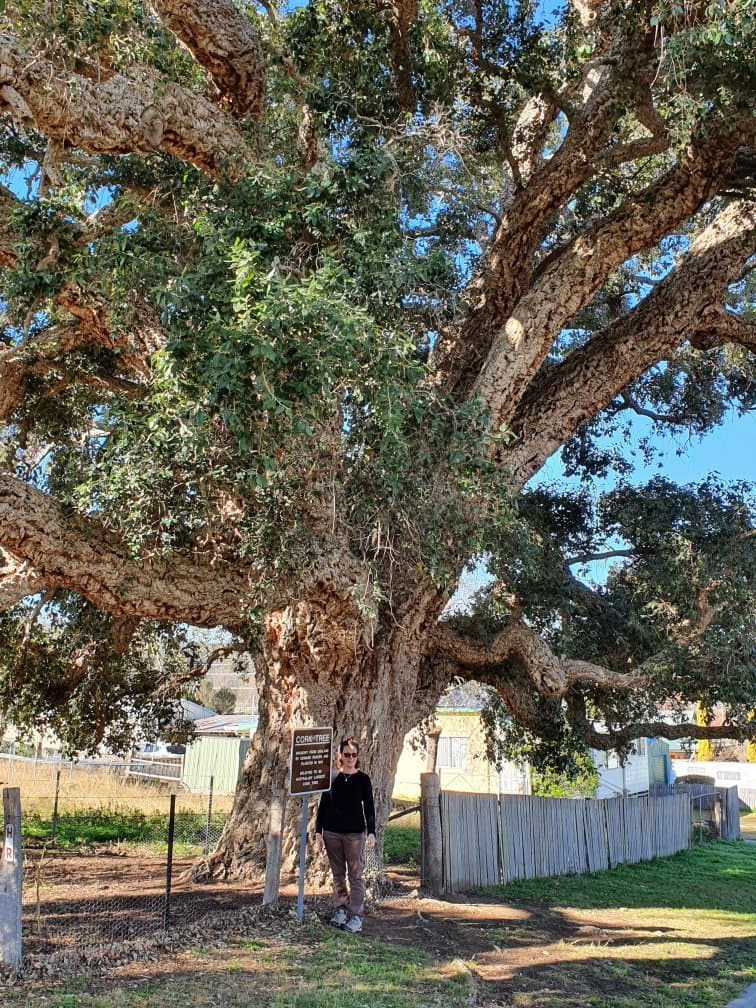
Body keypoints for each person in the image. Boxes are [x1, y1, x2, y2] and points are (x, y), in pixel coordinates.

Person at [314, 736, 376, 934]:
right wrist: (318, 832)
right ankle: (340, 909)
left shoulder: (363, 780)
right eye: (346, 754)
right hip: (331, 833)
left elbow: (369, 808)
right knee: (338, 874)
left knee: (356, 876)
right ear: (340, 755)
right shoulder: (332, 777)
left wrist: (371, 832)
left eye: (353, 755)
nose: (350, 758)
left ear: (357, 757)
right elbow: (322, 807)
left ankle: (356, 915)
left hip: (354, 835)